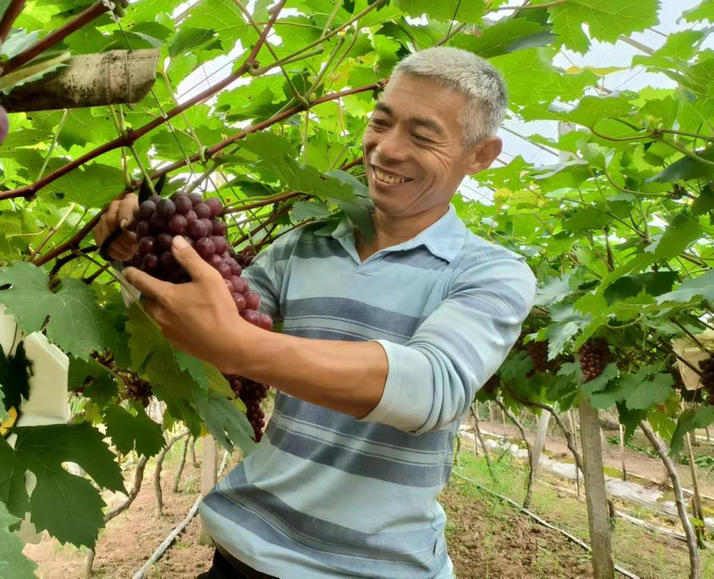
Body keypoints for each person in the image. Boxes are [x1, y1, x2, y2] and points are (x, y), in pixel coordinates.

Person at [93, 47, 537, 578]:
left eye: (422, 136)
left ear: (481, 154)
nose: (386, 149)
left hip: (376, 570)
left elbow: (431, 389)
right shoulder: (301, 247)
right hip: (243, 550)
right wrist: (141, 246)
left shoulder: (491, 272)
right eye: (381, 122)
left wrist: (241, 346)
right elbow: (201, 322)